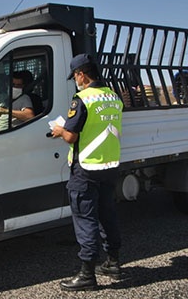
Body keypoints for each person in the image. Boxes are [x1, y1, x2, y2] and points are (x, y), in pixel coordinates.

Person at [50, 53, 124, 291]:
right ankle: (113, 262)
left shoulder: (82, 99)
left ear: (81, 74)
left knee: (85, 219)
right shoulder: (114, 96)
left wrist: (60, 130)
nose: (75, 80)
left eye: (75, 76)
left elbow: (71, 136)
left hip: (87, 168)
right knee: (107, 214)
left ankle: (87, 275)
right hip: (110, 166)